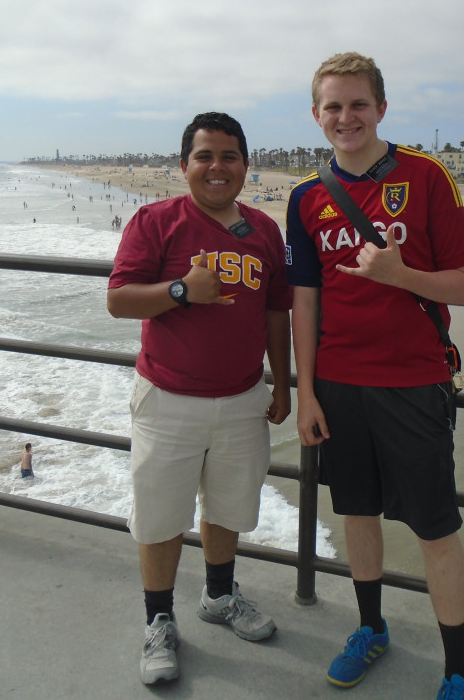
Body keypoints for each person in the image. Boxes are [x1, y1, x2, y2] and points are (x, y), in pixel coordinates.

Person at [286, 52, 464, 700]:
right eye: (333, 107)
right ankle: (371, 628)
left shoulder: (426, 177)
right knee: (358, 514)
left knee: (435, 528)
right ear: (317, 116)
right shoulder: (307, 197)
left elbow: (463, 285)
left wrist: (402, 276)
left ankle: (457, 668)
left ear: (381, 109)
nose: (346, 117)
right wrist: (306, 390)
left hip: (413, 381)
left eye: (358, 104)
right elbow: (304, 300)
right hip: (339, 386)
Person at [107, 112, 292, 685]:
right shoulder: (155, 220)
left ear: (245, 165)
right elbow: (119, 300)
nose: (218, 168)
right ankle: (159, 620)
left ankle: (219, 596)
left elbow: (275, 312)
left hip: (242, 399)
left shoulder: (263, 230)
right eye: (205, 156)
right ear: (184, 164)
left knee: (228, 507)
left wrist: (281, 381)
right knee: (162, 517)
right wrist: (183, 290)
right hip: (168, 397)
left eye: (229, 157)